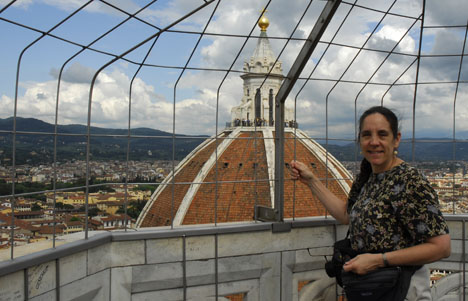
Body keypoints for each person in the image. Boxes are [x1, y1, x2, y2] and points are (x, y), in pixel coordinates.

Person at [290, 106, 450, 300]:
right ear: (360, 140)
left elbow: (441, 247)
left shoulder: (409, 181)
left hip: (402, 290)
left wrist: (378, 260)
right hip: (369, 288)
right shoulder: (367, 176)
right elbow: (346, 215)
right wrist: (311, 181)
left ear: (396, 139)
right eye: (367, 135)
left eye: (382, 134)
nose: (374, 142)